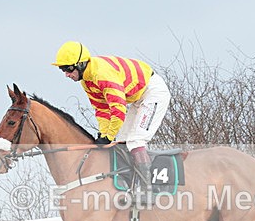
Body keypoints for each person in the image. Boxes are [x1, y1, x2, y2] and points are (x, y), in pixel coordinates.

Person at [52, 41, 171, 199]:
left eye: (68, 69)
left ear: (80, 64)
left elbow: (118, 109)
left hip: (152, 92)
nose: (66, 74)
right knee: (121, 141)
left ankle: (147, 189)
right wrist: (103, 135)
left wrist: (108, 137)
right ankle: (128, 186)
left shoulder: (102, 75)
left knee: (135, 141)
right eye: (63, 70)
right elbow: (102, 110)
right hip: (137, 98)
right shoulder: (86, 81)